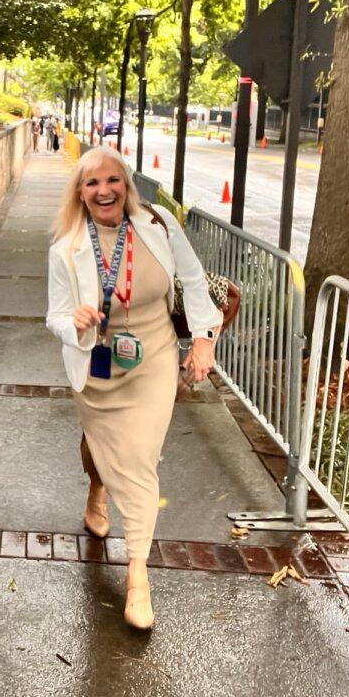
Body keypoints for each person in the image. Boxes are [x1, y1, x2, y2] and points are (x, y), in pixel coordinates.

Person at [45, 147, 219, 631]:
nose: (104, 191)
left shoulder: (157, 223)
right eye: (92, 183)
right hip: (97, 365)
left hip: (154, 357)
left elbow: (193, 279)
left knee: (141, 459)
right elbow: (54, 315)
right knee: (101, 449)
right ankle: (97, 489)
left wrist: (203, 341)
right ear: (79, 193)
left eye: (112, 180)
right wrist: (74, 322)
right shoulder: (66, 247)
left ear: (126, 184)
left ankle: (138, 576)